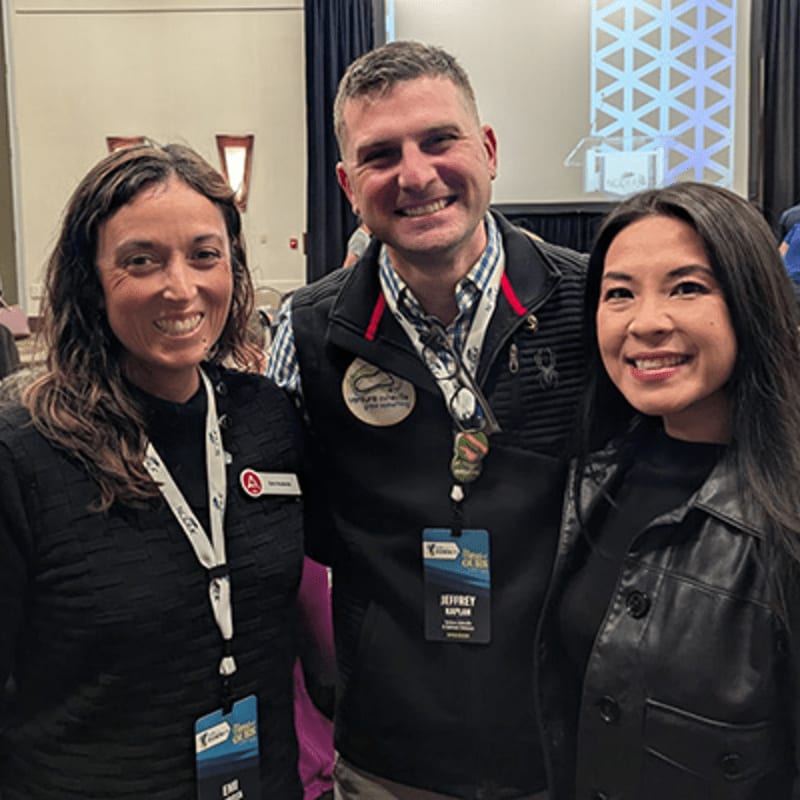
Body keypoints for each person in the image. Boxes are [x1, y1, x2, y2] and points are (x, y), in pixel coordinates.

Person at [268, 40, 587, 799]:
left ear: (489, 151)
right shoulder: (306, 332)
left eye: (439, 140)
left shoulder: (589, 306)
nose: (415, 175)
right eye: (380, 155)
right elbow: (295, 529)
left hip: (564, 746)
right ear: (348, 185)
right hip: (389, 755)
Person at [0, 143, 306, 798]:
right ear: (90, 280)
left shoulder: (268, 420)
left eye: (204, 255)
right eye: (141, 261)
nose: (181, 287)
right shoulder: (23, 456)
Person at [535, 182, 800, 799]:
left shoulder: (784, 510)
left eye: (687, 288)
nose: (647, 322)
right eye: (619, 294)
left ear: (750, 300)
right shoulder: (591, 480)